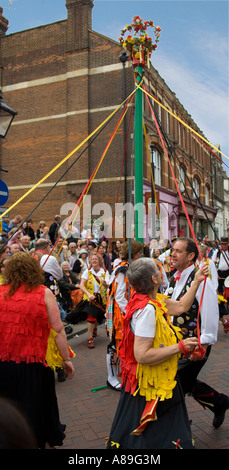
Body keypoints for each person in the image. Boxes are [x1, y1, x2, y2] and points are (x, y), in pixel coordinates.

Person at [106, 257, 208, 449]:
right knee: (152, 438)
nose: (162, 272)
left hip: (161, 378)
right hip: (150, 385)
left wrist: (196, 281)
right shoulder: (147, 310)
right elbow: (142, 355)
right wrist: (180, 347)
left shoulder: (151, 301)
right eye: (158, 270)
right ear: (154, 279)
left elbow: (181, 307)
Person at [0, 252, 74, 449]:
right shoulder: (44, 293)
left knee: (9, 408)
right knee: (35, 407)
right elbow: (58, 330)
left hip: (4, 365)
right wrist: (66, 359)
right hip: (35, 365)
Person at [166, 237, 229, 429]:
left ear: (191, 255)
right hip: (175, 345)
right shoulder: (174, 276)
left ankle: (177, 427)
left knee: (173, 385)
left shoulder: (201, 278)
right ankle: (219, 403)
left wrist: (203, 344)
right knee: (185, 383)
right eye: (172, 250)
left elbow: (210, 313)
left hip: (195, 345)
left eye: (178, 251)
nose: (172, 255)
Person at [105, 241, 143, 391]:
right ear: (132, 253)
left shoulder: (129, 268)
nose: (141, 255)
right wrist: (129, 313)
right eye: (139, 253)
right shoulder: (122, 270)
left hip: (125, 313)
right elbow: (120, 296)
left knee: (123, 345)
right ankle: (111, 377)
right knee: (115, 344)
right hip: (119, 315)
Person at [67, 253, 109, 348]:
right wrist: (89, 294)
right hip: (89, 299)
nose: (94, 261)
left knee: (96, 317)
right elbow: (81, 285)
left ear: (99, 261)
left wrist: (105, 284)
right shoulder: (87, 271)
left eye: (96, 259)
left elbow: (108, 286)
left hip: (101, 300)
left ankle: (94, 329)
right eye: (92, 259)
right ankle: (90, 339)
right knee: (90, 317)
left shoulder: (105, 272)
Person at [215, 236, 229, 333]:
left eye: (224, 244)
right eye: (222, 244)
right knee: (219, 295)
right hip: (219, 275)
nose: (223, 246)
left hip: (228, 274)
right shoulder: (218, 252)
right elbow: (215, 262)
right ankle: (222, 312)